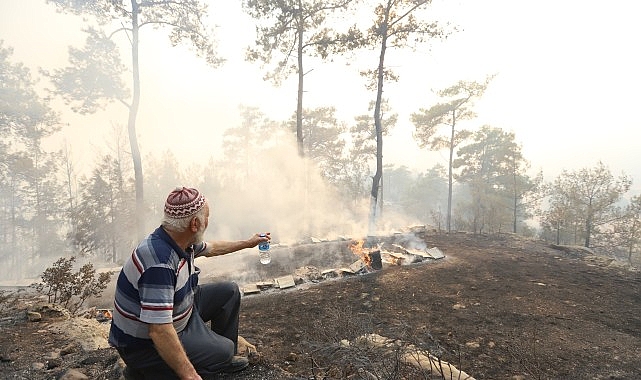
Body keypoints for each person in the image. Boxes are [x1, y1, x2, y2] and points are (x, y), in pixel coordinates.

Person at [108, 187, 270, 380]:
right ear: (195, 223)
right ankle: (145, 370)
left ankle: (219, 359)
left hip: (181, 313)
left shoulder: (179, 240)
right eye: (207, 217)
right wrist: (189, 375)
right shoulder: (160, 263)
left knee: (229, 291)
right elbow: (159, 330)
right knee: (224, 351)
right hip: (144, 345)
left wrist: (248, 243)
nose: (208, 222)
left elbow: (213, 248)